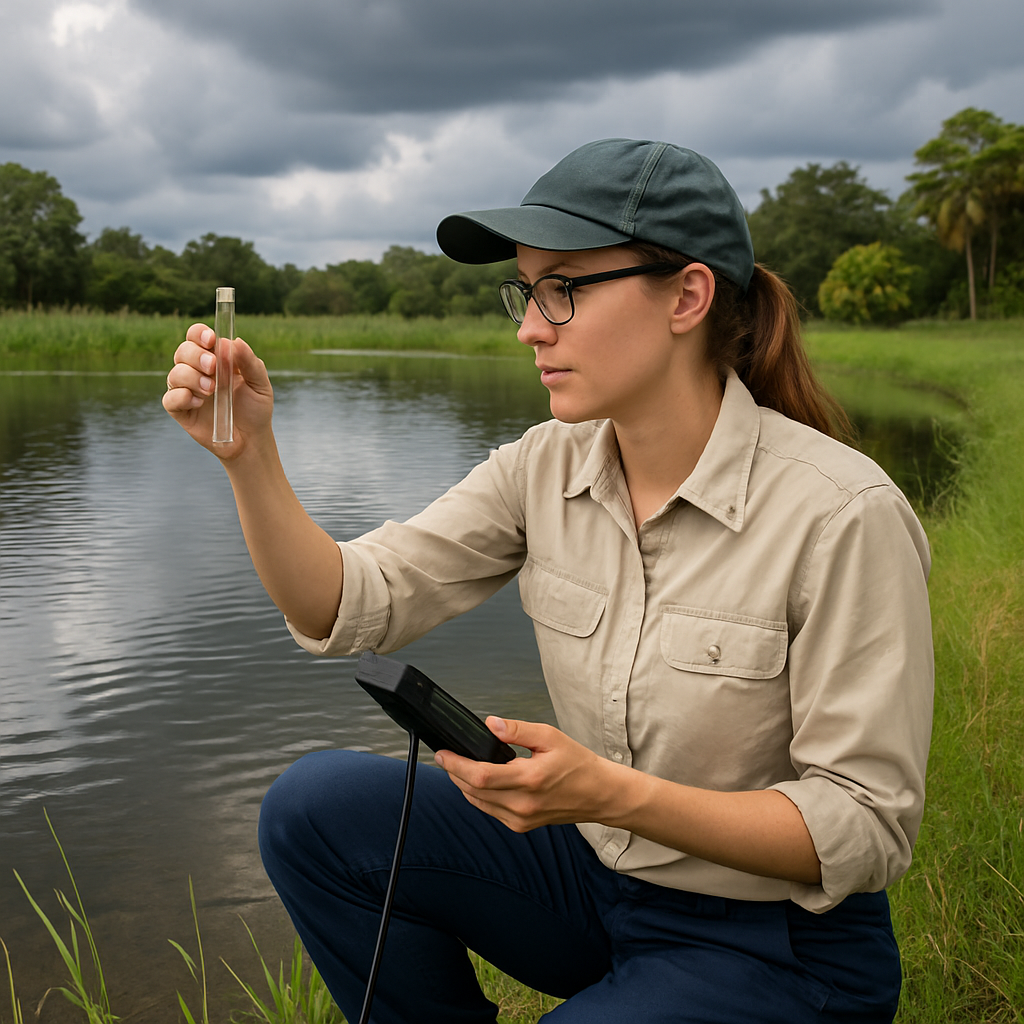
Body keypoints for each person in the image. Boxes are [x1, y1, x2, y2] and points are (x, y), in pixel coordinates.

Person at [163, 139, 934, 1023]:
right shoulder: (544, 465)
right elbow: (345, 604)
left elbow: (867, 828)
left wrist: (608, 793)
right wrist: (249, 455)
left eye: (564, 289)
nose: (532, 326)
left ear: (688, 295)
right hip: (600, 881)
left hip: (778, 942)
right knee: (314, 809)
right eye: (525, 292)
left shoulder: (843, 513)